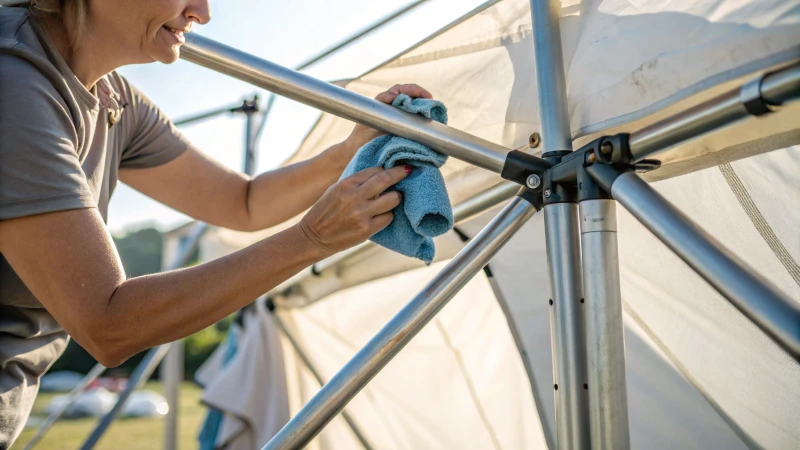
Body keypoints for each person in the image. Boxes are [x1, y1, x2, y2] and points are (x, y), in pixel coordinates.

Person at [0, 0, 433, 446]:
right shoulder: (13, 82)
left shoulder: (114, 98)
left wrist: (347, 152)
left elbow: (243, 202)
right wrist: (313, 239)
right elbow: (108, 324)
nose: (202, 13)